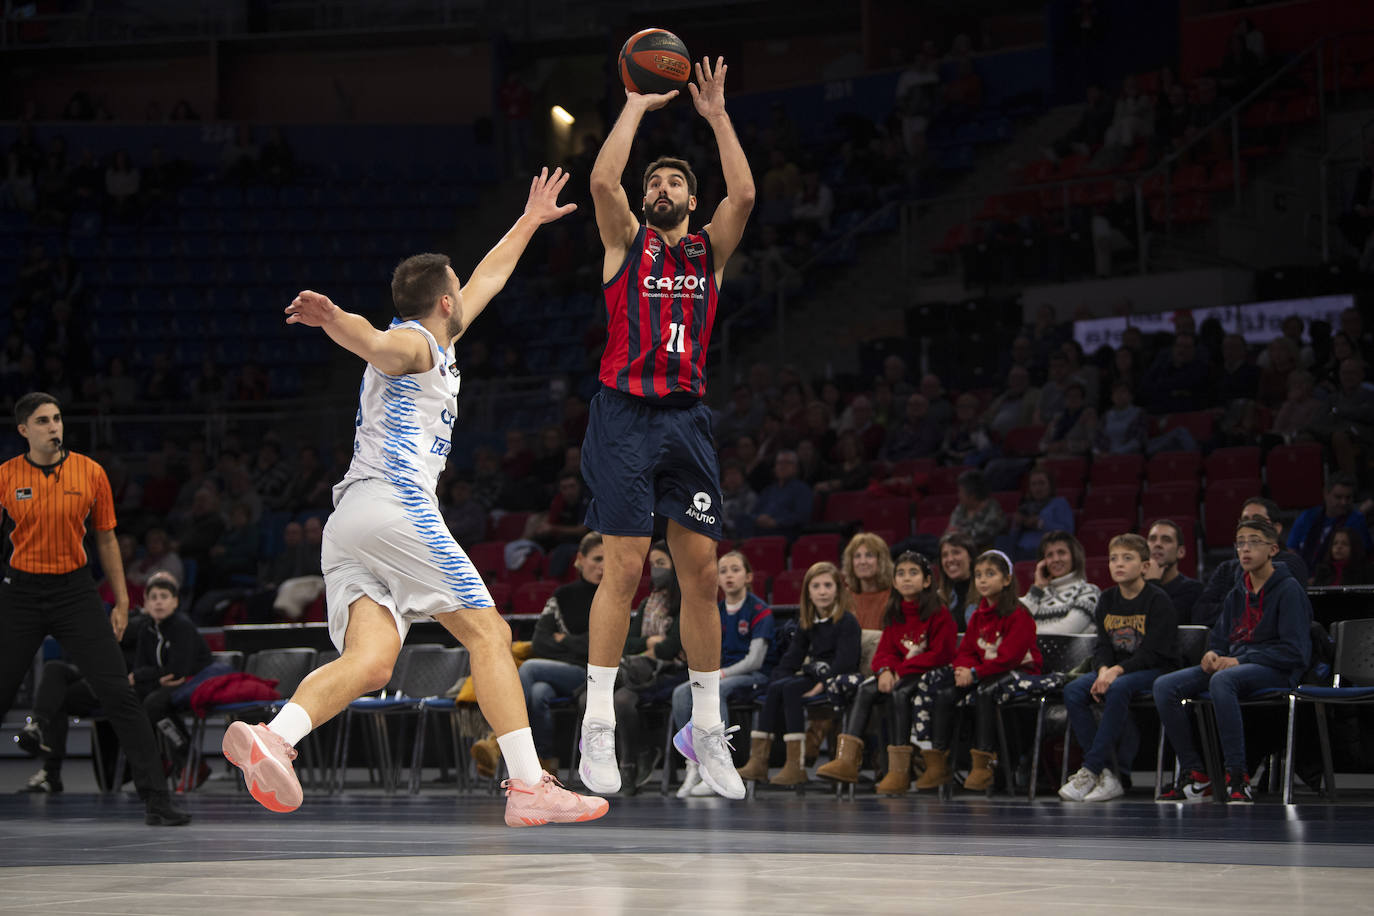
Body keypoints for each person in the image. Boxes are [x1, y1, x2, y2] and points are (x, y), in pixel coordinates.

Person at [220, 168, 608, 826]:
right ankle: (528, 785)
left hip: (349, 524)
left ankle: (275, 737)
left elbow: (491, 275)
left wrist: (529, 220)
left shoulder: (442, 336)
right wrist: (333, 319)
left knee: (371, 663)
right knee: (487, 630)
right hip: (394, 508)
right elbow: (374, 342)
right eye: (458, 288)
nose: (468, 291)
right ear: (444, 303)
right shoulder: (415, 343)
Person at [580, 55, 756, 800]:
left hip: (685, 419)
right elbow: (599, 182)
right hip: (623, 416)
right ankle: (596, 730)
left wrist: (715, 116)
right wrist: (632, 105)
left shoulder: (707, 251)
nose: (661, 187)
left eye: (674, 181)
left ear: (692, 199)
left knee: (703, 579)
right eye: (654, 180)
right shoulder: (625, 245)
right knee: (622, 571)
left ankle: (708, 733)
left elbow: (743, 191)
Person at [0, 392, 189, 825]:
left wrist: (122, 600)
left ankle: (157, 801)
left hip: (75, 592)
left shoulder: (90, 472)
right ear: (24, 430)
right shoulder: (6, 476)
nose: (53, 427)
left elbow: (105, 538)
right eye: (43, 421)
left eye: (57, 418)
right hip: (21, 593)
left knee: (119, 694)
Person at [1154, 517, 1313, 804]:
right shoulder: (1238, 589)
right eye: (1240, 543)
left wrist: (1240, 661)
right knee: (1165, 686)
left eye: (1254, 542)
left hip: (1277, 669)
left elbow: (1296, 652)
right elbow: (1221, 637)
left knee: (1223, 680)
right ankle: (1196, 774)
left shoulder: (1289, 590)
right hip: (1236, 664)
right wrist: (1212, 652)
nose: (1245, 549)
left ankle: (1238, 775)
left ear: (1273, 550)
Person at [815, 552, 956, 794]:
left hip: (931, 674)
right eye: (900, 574)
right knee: (866, 688)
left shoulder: (939, 613)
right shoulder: (895, 612)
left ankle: (899, 771)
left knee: (899, 693)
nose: (906, 578)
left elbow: (940, 654)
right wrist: (884, 671)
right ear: (894, 581)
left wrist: (898, 670)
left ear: (927, 581)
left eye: (913, 573)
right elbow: (884, 651)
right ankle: (847, 760)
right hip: (901, 673)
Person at [1059, 534, 1178, 803]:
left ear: (1145, 566)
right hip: (1116, 670)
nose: (1118, 564)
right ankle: (1106, 774)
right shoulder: (1108, 599)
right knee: (1074, 690)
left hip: (1155, 670)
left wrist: (1115, 672)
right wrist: (1102, 669)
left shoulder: (1157, 601)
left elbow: (1153, 653)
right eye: (1114, 559)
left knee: (1119, 687)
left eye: (1127, 558)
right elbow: (1102, 646)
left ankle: (1090, 769)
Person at [913, 550, 1041, 792]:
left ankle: (983, 765)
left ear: (1006, 580)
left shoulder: (1019, 614)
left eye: (990, 574)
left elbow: (1009, 658)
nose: (982, 580)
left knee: (984, 692)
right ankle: (937, 761)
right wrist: (963, 668)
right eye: (979, 575)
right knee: (945, 694)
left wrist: (974, 673)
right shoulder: (978, 615)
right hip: (983, 672)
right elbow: (968, 649)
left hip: (1019, 673)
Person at [736, 562, 860, 787]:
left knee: (791, 688)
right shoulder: (808, 622)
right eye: (816, 586)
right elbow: (792, 658)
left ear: (838, 590)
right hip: (813, 674)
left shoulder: (847, 622)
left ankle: (796, 766)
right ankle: (759, 762)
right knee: (777, 686)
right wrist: (774, 680)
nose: (822, 591)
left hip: (836, 677)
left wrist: (822, 683)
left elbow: (846, 661)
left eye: (827, 585)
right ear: (808, 592)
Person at [675, 550, 777, 797]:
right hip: (720, 673)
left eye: (735, 570)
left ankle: (719, 763)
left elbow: (755, 661)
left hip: (754, 677)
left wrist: (722, 674)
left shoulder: (760, 611)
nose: (729, 575)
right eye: (723, 571)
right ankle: (695, 763)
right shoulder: (715, 611)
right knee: (681, 693)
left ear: (749, 576)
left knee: (716, 689)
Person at [1195, 497, 1309, 627]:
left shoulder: (1290, 564)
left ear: (1276, 528)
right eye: (1244, 520)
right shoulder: (1226, 568)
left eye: (1257, 520)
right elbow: (1200, 614)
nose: (1248, 525)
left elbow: (1271, 611)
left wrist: (1228, 609)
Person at [1287, 472, 1372, 573]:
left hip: (1339, 578)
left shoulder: (1356, 520)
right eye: (1338, 497)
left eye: (1348, 497)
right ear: (1326, 494)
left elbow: (1360, 557)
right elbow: (1291, 550)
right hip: (1303, 575)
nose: (1343, 502)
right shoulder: (1308, 516)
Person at [1019, 531, 1099, 634]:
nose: (1056, 559)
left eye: (1061, 552)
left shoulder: (1089, 591)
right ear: (1043, 562)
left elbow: (1066, 630)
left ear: (1074, 557)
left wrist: (1022, 632)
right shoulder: (1037, 595)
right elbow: (1013, 622)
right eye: (1050, 555)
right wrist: (1037, 587)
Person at [999, 468, 1074, 562]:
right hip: (1021, 552)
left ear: (1050, 485)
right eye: (1034, 484)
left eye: (1042, 483)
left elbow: (1068, 532)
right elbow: (1013, 539)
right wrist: (1016, 525)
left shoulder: (1059, 503)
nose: (1038, 488)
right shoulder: (1024, 507)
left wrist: (1039, 523)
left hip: (1047, 553)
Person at [1144, 519, 1202, 621]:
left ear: (1181, 552)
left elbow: (1162, 623)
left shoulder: (1194, 590)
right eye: (1152, 539)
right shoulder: (1133, 587)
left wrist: (1153, 583)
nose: (1157, 544)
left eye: (1166, 540)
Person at [946, 469, 1005, 552]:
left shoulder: (993, 511)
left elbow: (983, 536)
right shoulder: (960, 508)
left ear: (972, 496)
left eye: (960, 492)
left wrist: (960, 534)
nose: (958, 495)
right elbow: (950, 531)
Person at [935, 532, 979, 630]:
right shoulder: (937, 599)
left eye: (956, 552)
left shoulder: (986, 594)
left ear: (970, 557)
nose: (950, 559)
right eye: (945, 555)